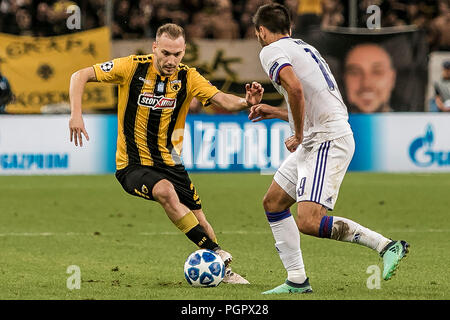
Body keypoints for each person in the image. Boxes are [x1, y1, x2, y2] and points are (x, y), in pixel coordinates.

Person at [69, 23, 264, 284]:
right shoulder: (132, 67)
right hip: (132, 165)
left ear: (184, 52)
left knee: (200, 220)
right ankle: (215, 252)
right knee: (165, 191)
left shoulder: (188, 77)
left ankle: (223, 272)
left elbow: (220, 99)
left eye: (177, 54)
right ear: (155, 48)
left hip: (171, 162)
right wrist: (76, 115)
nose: (171, 60)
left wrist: (244, 102)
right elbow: (79, 75)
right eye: (166, 53)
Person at [248, 3, 409, 294]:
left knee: (309, 221)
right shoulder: (303, 48)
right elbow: (309, 101)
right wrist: (273, 111)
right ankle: (297, 280)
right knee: (273, 202)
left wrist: (297, 134)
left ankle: (386, 246)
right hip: (320, 135)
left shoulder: (270, 51)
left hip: (325, 140)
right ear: (290, 28)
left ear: (261, 31)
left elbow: (295, 90)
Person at [344, 43, 397, 113]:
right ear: (344, 79)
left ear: (392, 79)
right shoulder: (326, 122)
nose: (366, 83)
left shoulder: (411, 122)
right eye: (355, 72)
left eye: (377, 72)